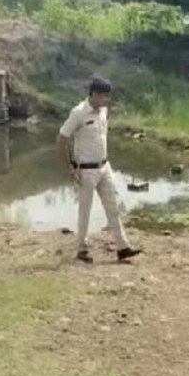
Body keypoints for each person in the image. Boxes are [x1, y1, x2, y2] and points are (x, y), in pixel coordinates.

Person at [56, 77, 141, 264]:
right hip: (85, 170)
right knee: (85, 210)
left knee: (113, 206)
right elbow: (62, 139)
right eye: (104, 96)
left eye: (108, 97)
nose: (106, 100)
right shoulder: (78, 113)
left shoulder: (103, 111)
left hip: (104, 166)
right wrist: (70, 166)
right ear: (94, 94)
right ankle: (82, 249)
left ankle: (122, 247)